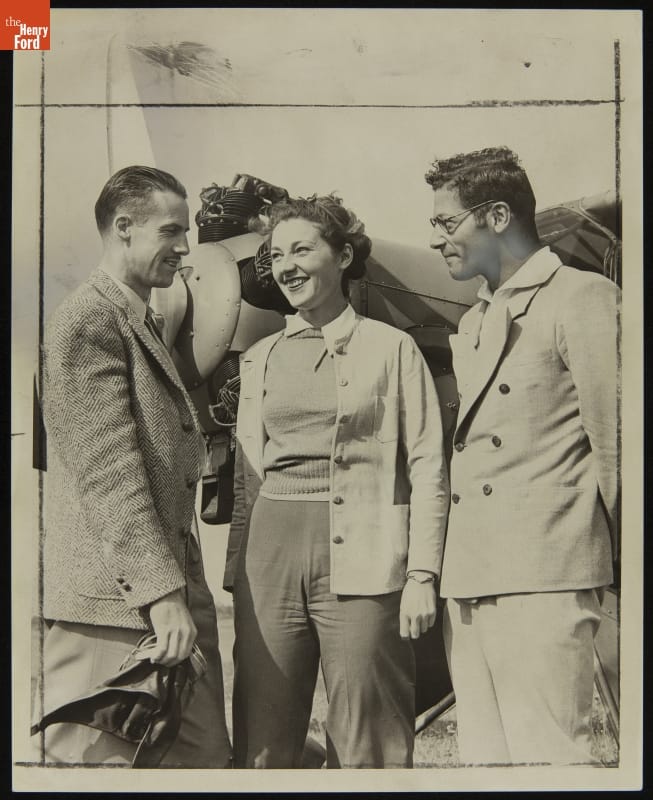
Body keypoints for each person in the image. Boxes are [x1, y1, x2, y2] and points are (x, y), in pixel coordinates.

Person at [222, 194, 449, 768]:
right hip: (268, 555)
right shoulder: (259, 357)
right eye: (276, 255)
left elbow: (428, 464)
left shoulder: (393, 348)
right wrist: (237, 572)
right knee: (262, 737)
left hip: (365, 550)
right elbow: (247, 475)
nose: (286, 266)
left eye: (302, 250)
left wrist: (423, 572)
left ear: (344, 256)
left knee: (370, 731)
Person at [425, 146, 619, 765]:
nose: (436, 240)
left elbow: (616, 446)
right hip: (471, 580)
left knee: (552, 760)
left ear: (498, 215)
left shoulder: (582, 296)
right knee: (484, 765)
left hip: (545, 577)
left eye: (446, 222)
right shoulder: (476, 319)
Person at [34, 165, 232, 767]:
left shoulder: (135, 318)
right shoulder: (87, 321)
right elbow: (110, 477)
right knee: (103, 773)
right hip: (117, 608)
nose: (185, 247)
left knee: (202, 764)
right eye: (171, 231)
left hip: (166, 596)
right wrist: (162, 597)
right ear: (124, 228)